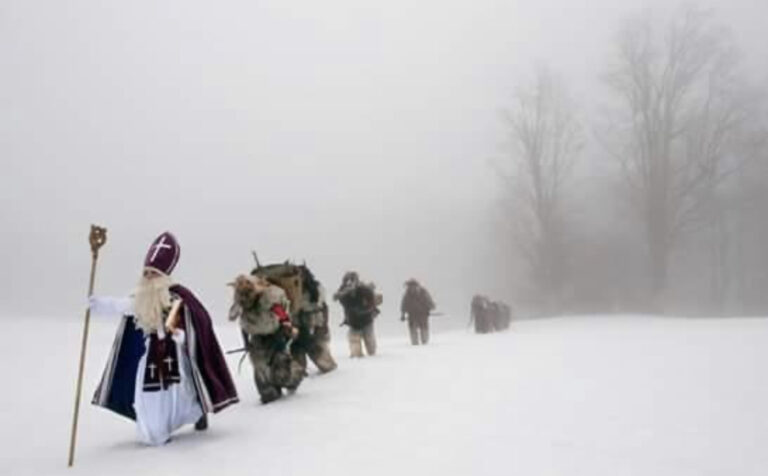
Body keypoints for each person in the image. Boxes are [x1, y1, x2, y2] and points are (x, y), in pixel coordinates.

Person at [90, 232, 238, 446]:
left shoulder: (177, 298)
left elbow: (193, 325)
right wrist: (100, 304)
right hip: (150, 355)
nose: (149, 277)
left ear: (164, 275)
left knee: (180, 394)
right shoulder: (141, 298)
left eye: (154, 273)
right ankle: (154, 431)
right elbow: (124, 305)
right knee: (146, 395)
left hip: (174, 356)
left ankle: (197, 412)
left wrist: (181, 336)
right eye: (147, 273)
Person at [228, 272, 304, 404]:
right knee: (260, 368)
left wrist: (288, 326)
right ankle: (268, 393)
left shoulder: (269, 298)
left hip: (275, 335)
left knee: (281, 365)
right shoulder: (240, 303)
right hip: (257, 339)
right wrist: (246, 342)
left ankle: (293, 378)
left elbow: (280, 312)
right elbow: (239, 320)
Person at [292, 264, 337, 373]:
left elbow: (323, 306)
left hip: (314, 322)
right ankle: (299, 371)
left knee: (320, 352)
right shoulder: (291, 289)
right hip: (296, 325)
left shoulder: (316, 288)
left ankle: (328, 368)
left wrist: (324, 324)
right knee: (297, 350)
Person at [333, 271, 380, 358]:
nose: (350, 283)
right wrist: (342, 294)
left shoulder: (364, 291)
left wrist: (366, 309)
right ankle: (357, 356)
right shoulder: (343, 293)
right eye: (348, 281)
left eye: (352, 280)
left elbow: (372, 302)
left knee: (370, 342)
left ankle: (372, 356)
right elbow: (340, 299)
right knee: (354, 342)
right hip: (353, 321)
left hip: (367, 320)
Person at [400, 279, 435, 345]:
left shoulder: (423, 292)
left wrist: (430, 308)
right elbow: (404, 305)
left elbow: (429, 301)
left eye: (412, 286)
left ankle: (425, 343)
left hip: (422, 314)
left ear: (416, 286)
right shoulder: (407, 295)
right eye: (409, 287)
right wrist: (402, 315)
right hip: (412, 315)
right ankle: (415, 344)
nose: (411, 288)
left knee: (424, 329)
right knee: (413, 330)